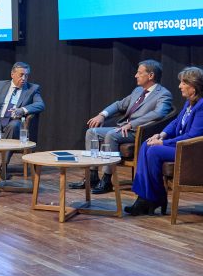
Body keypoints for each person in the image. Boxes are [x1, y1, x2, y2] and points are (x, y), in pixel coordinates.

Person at [69, 59, 173, 194]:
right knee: (92, 132)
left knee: (111, 135)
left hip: (139, 132)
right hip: (123, 129)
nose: (136, 75)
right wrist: (102, 115)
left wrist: (132, 124)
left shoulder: (163, 94)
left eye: (139, 73)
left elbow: (158, 113)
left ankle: (107, 179)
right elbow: (119, 105)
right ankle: (92, 176)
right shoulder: (138, 90)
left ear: (151, 75)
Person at [125, 67, 203, 216]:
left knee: (154, 151)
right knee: (146, 144)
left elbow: (192, 136)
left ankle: (155, 197)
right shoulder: (189, 103)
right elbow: (175, 123)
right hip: (180, 147)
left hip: (191, 151)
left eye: (183, 83)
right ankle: (144, 198)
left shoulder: (202, 107)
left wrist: (164, 143)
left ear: (193, 86)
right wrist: (161, 135)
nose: (179, 86)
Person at [0, 62, 45, 178]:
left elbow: (40, 105)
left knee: (14, 125)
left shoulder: (33, 88)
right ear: (12, 74)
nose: (24, 78)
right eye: (21, 75)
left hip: (13, 122)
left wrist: (22, 110)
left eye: (26, 75)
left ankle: (4, 166)